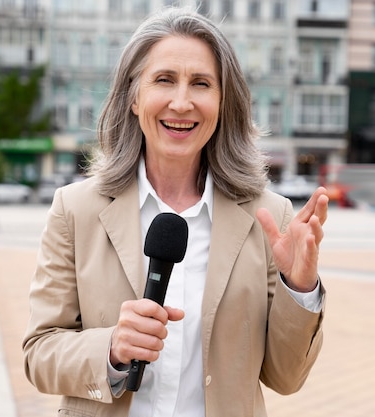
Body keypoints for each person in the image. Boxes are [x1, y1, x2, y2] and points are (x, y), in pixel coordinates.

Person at [23, 7, 328, 417]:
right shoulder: (76, 209)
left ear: (223, 103)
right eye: (164, 80)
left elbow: (286, 378)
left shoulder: (269, 219)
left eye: (201, 84)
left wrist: (301, 288)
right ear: (134, 97)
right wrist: (111, 348)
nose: (181, 103)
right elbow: (39, 354)